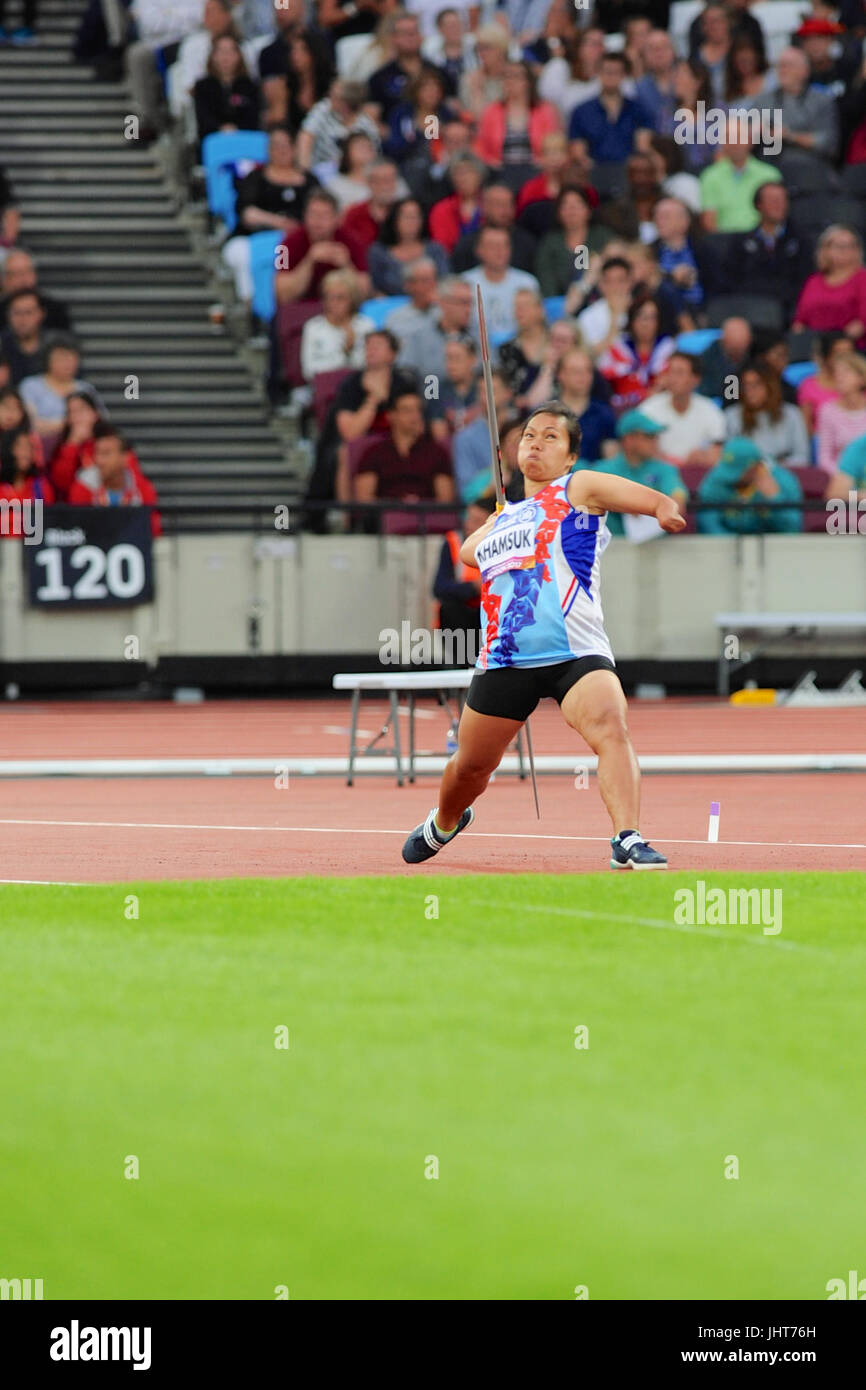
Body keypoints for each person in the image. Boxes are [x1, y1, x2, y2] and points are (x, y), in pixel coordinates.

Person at [400, 398, 686, 870]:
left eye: (551, 436)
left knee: (611, 727)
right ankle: (446, 821)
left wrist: (664, 510)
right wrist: (503, 523)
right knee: (471, 767)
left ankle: (628, 838)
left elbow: (647, 497)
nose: (536, 443)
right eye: (529, 435)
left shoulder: (579, 487)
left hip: (575, 650)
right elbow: (471, 554)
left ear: (570, 455)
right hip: (506, 659)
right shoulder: (500, 517)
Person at [222, 126, 319, 307]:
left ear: (295, 148)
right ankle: (250, 305)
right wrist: (278, 222)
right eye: (276, 145)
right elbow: (247, 212)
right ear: (268, 150)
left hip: (296, 240)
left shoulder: (310, 180)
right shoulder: (255, 177)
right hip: (256, 237)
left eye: (287, 145)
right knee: (242, 254)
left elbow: (321, 210)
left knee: (294, 255)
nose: (282, 150)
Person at [353, 386, 455, 528]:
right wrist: (397, 506)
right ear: (391, 416)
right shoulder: (373, 452)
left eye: (418, 410)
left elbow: (445, 499)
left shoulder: (436, 452)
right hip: (382, 528)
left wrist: (419, 505)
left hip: (428, 524)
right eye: (407, 410)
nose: (415, 416)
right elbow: (364, 499)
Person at [591, 408, 688, 535]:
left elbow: (677, 497)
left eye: (656, 436)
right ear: (629, 439)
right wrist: (627, 504)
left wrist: (670, 506)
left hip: (656, 548)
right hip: (610, 547)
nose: (655, 441)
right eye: (649, 436)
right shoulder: (603, 471)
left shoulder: (665, 469)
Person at [723, 182, 812, 317]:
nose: (779, 205)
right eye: (773, 200)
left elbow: (805, 281)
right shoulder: (740, 243)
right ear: (759, 205)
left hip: (789, 312)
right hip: (749, 310)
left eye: (783, 200)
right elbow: (731, 281)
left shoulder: (801, 241)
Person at [274, 190, 368, 306]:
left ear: (337, 219)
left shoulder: (352, 242)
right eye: (313, 214)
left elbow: (364, 293)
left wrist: (346, 265)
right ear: (305, 216)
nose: (317, 221)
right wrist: (309, 261)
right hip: (300, 310)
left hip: (343, 311)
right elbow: (282, 295)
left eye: (324, 216)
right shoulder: (287, 243)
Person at [697, 437, 803, 534]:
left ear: (756, 467)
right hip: (727, 550)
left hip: (772, 550)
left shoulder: (784, 481)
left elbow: (792, 529)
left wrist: (774, 498)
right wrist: (736, 548)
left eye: (738, 470)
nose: (730, 477)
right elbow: (708, 526)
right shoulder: (716, 480)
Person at [68, 426, 162, 537]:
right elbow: (77, 532)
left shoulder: (142, 489)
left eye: (106, 453)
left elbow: (153, 531)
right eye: (97, 453)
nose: (99, 460)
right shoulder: (83, 486)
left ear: (125, 458)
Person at [640, 351, 726, 467]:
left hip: (697, 476)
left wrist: (704, 456)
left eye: (679, 373)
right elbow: (639, 448)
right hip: (657, 477)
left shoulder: (710, 410)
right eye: (670, 371)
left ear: (695, 380)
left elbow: (717, 451)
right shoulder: (648, 408)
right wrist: (666, 461)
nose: (672, 378)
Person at [472, 60, 562, 170]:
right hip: (499, 172)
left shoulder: (544, 111)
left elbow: (554, 144)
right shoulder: (491, 111)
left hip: (537, 171)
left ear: (528, 81)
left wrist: (542, 162)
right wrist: (491, 163)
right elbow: (480, 146)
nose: (510, 81)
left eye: (516, 76)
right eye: (506, 76)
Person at [569, 50, 652, 165]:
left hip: (630, 173)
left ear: (624, 75)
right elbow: (578, 153)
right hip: (593, 174)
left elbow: (643, 148)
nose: (611, 76)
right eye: (607, 71)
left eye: (616, 72)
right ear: (598, 73)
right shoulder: (581, 112)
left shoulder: (639, 110)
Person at [19, 334, 102, 448]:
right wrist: (70, 425)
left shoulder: (86, 389)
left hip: (82, 449)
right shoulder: (30, 386)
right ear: (48, 360)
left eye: (71, 358)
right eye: (61, 358)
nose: (66, 363)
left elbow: (99, 422)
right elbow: (31, 423)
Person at [597, 294, 675, 414]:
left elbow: (673, 380)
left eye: (651, 318)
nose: (646, 323)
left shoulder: (668, 348)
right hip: (623, 410)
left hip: (660, 409)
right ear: (632, 320)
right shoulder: (618, 347)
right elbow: (603, 377)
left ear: (658, 321)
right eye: (641, 317)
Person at [792, 225, 866, 352]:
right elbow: (800, 321)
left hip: (849, 348)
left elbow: (862, 322)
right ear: (826, 249)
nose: (846, 250)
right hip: (813, 347)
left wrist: (836, 342)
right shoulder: (813, 281)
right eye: (840, 246)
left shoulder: (862, 278)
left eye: (851, 246)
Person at [432, 498, 492, 653]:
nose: (469, 525)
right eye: (469, 518)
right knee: (449, 609)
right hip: (463, 615)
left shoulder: (502, 544)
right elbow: (440, 588)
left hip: (490, 614)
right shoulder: (453, 542)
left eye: (477, 521)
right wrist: (473, 587)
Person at [723, 363, 811, 468]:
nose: (750, 391)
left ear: (769, 385)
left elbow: (802, 457)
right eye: (745, 385)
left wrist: (773, 467)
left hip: (783, 475)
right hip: (744, 476)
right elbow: (728, 457)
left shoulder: (792, 414)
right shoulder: (732, 416)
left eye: (756, 385)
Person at [462, 226, 541, 343]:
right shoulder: (465, 283)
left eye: (505, 245)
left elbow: (537, 324)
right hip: (476, 351)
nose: (499, 251)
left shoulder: (527, 282)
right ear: (479, 250)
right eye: (493, 246)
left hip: (518, 351)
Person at [534, 187, 613, 300]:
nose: (571, 211)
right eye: (565, 206)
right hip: (560, 305)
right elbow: (546, 282)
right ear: (558, 212)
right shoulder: (550, 242)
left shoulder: (603, 237)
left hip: (600, 304)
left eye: (577, 205)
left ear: (589, 210)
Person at [299, 269, 373, 383]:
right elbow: (309, 371)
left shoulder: (365, 325)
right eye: (329, 297)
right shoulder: (313, 327)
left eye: (341, 298)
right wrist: (344, 353)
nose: (333, 303)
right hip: (323, 387)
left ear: (352, 300)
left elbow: (369, 366)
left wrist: (350, 353)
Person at [768, 46, 838, 162]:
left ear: (805, 71)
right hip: (770, 168)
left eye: (788, 65)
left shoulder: (821, 100)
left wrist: (790, 136)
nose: (782, 70)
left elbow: (828, 142)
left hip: (811, 166)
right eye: (780, 65)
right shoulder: (763, 100)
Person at [699, 136, 782, 234]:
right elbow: (709, 221)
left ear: (750, 140)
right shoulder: (710, 175)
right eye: (729, 138)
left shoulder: (770, 174)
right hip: (724, 240)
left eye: (739, 137)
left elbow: (777, 215)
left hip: (760, 240)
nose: (735, 143)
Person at [368, 198, 448, 297]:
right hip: (390, 306)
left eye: (416, 217)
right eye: (407, 217)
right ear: (394, 219)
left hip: (431, 304)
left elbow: (445, 283)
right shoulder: (379, 252)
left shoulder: (435, 249)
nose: (412, 222)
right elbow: (376, 288)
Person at [296, 81, 380, 174]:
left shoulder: (367, 127)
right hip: (321, 170)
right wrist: (304, 169)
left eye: (334, 96)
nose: (329, 97)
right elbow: (306, 136)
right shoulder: (323, 109)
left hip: (353, 174)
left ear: (345, 104)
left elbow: (372, 157)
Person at [193, 34, 261, 149]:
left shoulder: (250, 86)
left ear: (239, 56)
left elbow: (253, 117)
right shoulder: (202, 87)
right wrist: (221, 129)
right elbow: (203, 118)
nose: (226, 57)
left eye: (230, 51)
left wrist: (236, 129)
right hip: (212, 143)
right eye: (221, 51)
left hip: (245, 143)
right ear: (213, 56)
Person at [555, 346, 617, 462]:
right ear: (560, 375)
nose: (582, 377)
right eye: (575, 371)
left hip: (593, 477)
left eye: (587, 371)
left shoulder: (604, 413)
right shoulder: (547, 413)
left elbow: (611, 460)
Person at [538, 26, 605, 122]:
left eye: (602, 44)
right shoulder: (559, 67)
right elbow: (547, 105)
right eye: (594, 44)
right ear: (579, 47)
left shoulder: (606, 77)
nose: (600, 49)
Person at [497, 288, 550, 402]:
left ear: (540, 310)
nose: (519, 310)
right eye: (516, 306)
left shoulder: (556, 342)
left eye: (525, 305)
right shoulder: (506, 350)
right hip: (519, 414)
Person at [816, 353, 866, 474]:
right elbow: (824, 458)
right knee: (852, 493)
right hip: (843, 479)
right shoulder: (827, 410)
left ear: (862, 378)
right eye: (837, 373)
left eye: (846, 372)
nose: (839, 377)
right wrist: (845, 475)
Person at [0, 249, 71, 333]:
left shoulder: (55, 310)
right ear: (3, 280)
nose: (23, 280)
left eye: (27, 272)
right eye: (16, 274)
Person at [428, 152, 485, 256]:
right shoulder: (442, 209)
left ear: (480, 175)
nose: (464, 178)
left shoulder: (489, 204)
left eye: (469, 172)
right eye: (459, 173)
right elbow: (442, 247)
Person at [0, 429, 53, 539]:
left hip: (32, 551)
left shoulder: (41, 487)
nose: (26, 453)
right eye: (20, 447)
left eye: (30, 447)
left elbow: (49, 523)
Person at [796, 331, 853, 435]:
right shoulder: (809, 385)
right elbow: (805, 428)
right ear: (826, 356)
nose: (846, 358)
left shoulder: (860, 383)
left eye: (850, 353)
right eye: (839, 354)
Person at [575, 254, 633, 355]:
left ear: (630, 282)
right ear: (601, 285)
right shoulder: (588, 316)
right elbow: (593, 356)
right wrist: (615, 319)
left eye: (620, 281)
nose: (615, 287)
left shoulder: (642, 311)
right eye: (609, 281)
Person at [458, 22, 509, 119]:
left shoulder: (515, 77)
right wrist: (476, 90)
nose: (481, 53)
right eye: (479, 48)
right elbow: (475, 116)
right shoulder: (470, 78)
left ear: (501, 49)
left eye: (487, 48)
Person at [698, 316, 752, 400]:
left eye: (741, 347)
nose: (738, 352)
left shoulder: (757, 355)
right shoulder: (706, 359)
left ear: (749, 341)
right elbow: (703, 389)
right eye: (733, 348)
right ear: (723, 341)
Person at [0, 288, 47, 384]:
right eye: (17, 313)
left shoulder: (55, 344)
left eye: (28, 312)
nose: (22, 319)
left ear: (41, 314)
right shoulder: (1, 343)